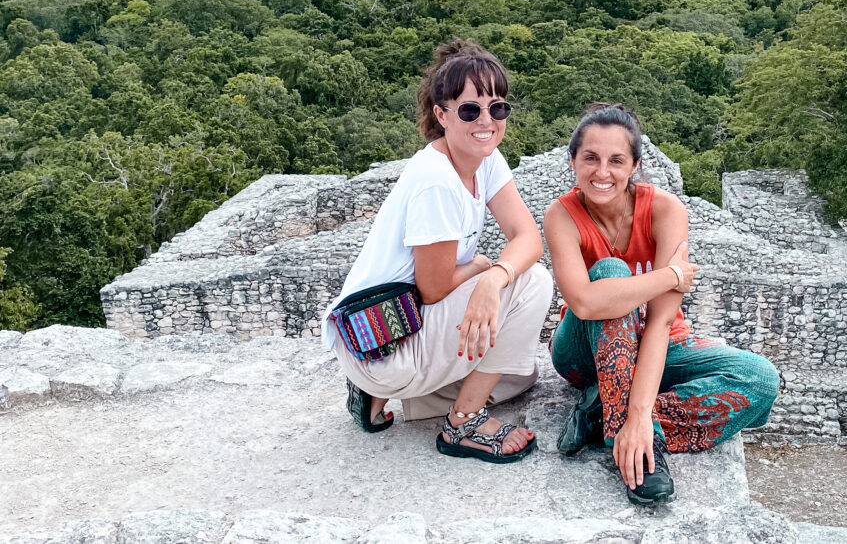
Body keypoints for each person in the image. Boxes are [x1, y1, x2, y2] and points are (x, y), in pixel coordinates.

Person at [322, 39, 553, 463]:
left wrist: (495, 278)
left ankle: (382, 397)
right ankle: (461, 423)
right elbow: (433, 289)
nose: (486, 121)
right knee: (534, 283)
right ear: (441, 115)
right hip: (382, 338)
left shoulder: (485, 159)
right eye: (470, 110)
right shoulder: (436, 182)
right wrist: (484, 268)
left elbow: (528, 237)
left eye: (496, 108)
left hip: (394, 329)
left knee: (518, 376)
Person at [544, 104, 780, 504]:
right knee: (611, 272)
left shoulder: (665, 211)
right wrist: (670, 276)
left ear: (634, 164)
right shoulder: (562, 215)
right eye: (591, 158)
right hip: (582, 351)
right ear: (573, 162)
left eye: (616, 160)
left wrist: (639, 415)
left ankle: (614, 420)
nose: (603, 172)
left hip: (660, 341)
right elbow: (584, 303)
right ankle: (640, 452)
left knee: (760, 379)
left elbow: (659, 323)